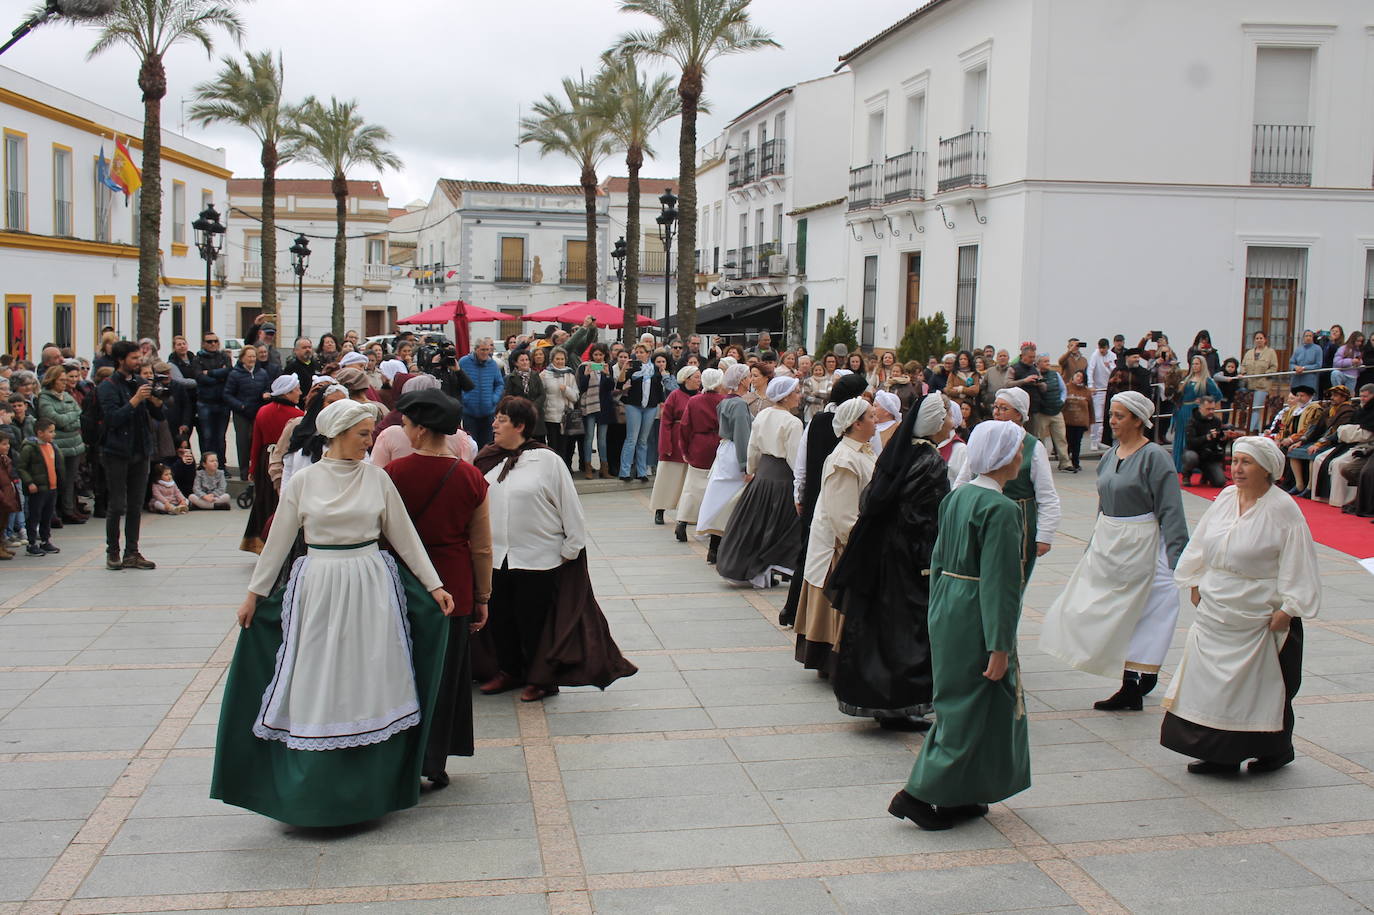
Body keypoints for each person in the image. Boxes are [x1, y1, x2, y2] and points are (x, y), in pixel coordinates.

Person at [212, 399, 455, 826]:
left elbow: (404, 537)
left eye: (370, 433)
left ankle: (371, 784)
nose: (370, 441)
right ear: (339, 433)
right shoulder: (304, 481)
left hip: (370, 584)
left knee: (368, 675)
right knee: (321, 675)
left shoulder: (378, 479)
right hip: (319, 584)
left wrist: (434, 585)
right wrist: (254, 594)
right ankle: (315, 785)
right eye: (363, 434)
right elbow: (279, 543)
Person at [888, 421, 1032, 831]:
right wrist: (1000, 644)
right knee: (970, 706)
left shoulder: (959, 496)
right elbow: (1002, 583)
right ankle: (915, 794)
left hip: (949, 607)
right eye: (1018, 449)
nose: (1022, 456)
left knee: (965, 700)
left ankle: (961, 793)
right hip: (976, 615)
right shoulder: (1001, 509)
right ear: (1005, 456)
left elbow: (937, 561)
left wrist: (936, 612)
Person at [1161, 436, 1320, 774]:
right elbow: (1204, 540)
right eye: (1235, 461)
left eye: (1247, 462)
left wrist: (1289, 607)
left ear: (1268, 470)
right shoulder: (1227, 498)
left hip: (1259, 609)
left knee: (1256, 686)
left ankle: (1270, 750)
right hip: (1218, 604)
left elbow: (1298, 560)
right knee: (1211, 683)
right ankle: (1217, 752)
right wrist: (1194, 578)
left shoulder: (1283, 508)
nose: (1237, 468)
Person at [474, 396, 635, 702]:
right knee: (501, 618)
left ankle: (541, 679)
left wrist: (571, 549)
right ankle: (510, 671)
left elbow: (570, 506)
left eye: (501, 419)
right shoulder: (487, 459)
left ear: (520, 426)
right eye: (495, 418)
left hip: (539, 558)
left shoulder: (547, 461)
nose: (494, 424)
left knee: (534, 622)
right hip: (496, 557)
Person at [1040, 391, 1189, 710]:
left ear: (1138, 420)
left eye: (1119, 416)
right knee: (1095, 606)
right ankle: (1132, 675)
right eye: (1111, 414)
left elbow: (1171, 509)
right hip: (1111, 539)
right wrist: (1094, 542)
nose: (1112, 421)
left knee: (1142, 610)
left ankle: (1134, 681)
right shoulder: (1110, 456)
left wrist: (1179, 559)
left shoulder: (1155, 457)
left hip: (1142, 539)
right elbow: (1103, 500)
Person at [386, 388, 493, 787]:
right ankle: (436, 760)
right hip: (456, 582)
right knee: (446, 675)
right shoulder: (471, 476)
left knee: (405, 671)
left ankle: (402, 755)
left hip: (404, 582)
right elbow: (481, 546)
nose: (404, 430)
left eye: (407, 424)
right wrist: (482, 596)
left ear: (421, 429)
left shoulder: (393, 474)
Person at [828, 394, 952, 729]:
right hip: (906, 558)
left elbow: (873, 497)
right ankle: (900, 704)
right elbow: (926, 517)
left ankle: (881, 699)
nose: (952, 422)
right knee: (905, 630)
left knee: (880, 627)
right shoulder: (928, 459)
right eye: (947, 417)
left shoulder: (902, 451)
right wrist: (930, 559)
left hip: (883, 552)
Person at [779, 373, 874, 626]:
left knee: (809, 553)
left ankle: (792, 610)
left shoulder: (818, 422)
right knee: (815, 557)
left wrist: (799, 492)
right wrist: (798, 492)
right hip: (827, 498)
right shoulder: (838, 426)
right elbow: (802, 461)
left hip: (814, 496)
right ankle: (801, 613)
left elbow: (801, 462)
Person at [791, 396, 877, 673]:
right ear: (856, 423)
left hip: (850, 541)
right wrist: (859, 543)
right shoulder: (844, 459)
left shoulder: (862, 452)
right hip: (838, 547)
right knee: (834, 602)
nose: (876, 422)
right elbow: (843, 515)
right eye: (872, 417)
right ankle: (830, 658)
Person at [952, 387, 1061, 589]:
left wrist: (1045, 535)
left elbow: (1047, 495)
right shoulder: (984, 437)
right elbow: (963, 478)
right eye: (996, 407)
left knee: (1011, 580)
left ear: (1019, 414)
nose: (997, 413)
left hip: (1019, 521)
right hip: (981, 513)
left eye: (1004, 408)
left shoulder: (1032, 446)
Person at [715, 376, 804, 587]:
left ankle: (760, 569)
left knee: (756, 524)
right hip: (782, 480)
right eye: (797, 392)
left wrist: (752, 470)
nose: (800, 396)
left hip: (762, 478)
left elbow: (753, 447)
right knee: (778, 526)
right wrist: (800, 485)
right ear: (786, 396)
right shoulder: (793, 422)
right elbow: (795, 458)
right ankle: (769, 566)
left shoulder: (763, 415)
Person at [97, 341, 162, 572]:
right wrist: (135, 400)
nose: (138, 362)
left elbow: (159, 414)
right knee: (117, 504)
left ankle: (132, 552)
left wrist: (157, 399)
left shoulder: (140, 382)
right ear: (121, 359)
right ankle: (112, 552)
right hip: (116, 451)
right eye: (134, 358)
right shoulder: (107, 386)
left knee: (135, 505)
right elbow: (113, 419)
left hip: (140, 450)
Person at [239, 375, 304, 553]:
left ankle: (260, 541)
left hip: (263, 460)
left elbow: (256, 442)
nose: (300, 392)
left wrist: (252, 468)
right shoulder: (298, 416)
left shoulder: (262, 411)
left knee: (263, 499)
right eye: (297, 389)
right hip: (284, 460)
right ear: (287, 392)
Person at [696, 364, 754, 562]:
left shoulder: (726, 401)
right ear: (741, 381)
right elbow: (742, 434)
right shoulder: (738, 404)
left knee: (722, 498)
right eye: (747, 377)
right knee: (731, 500)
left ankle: (715, 547)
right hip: (734, 453)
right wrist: (746, 465)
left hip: (725, 451)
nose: (750, 380)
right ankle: (722, 548)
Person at [675, 368, 728, 542]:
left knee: (691, 487)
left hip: (698, 444)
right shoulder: (724, 401)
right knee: (715, 488)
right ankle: (711, 525)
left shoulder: (694, 401)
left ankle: (682, 521)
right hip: (719, 444)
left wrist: (684, 449)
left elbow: (685, 426)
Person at [35, 365, 87, 524]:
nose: (65, 383)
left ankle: (69, 509)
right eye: (62, 380)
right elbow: (56, 420)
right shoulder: (44, 398)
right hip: (58, 445)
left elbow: (79, 414)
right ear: (53, 380)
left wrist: (67, 420)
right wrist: (68, 420)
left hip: (74, 444)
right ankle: (53, 513)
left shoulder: (67, 396)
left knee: (70, 480)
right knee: (56, 480)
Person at [651, 366, 700, 528]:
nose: (699, 380)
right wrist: (665, 444)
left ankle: (687, 514)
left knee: (690, 482)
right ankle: (660, 509)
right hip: (675, 440)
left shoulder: (700, 396)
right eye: (696, 377)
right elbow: (665, 422)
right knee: (667, 477)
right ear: (686, 379)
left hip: (692, 441)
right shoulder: (674, 395)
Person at [224, 344, 271, 481]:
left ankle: (257, 471)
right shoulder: (235, 374)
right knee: (243, 443)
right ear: (242, 358)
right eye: (249, 356)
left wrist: (265, 393)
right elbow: (227, 395)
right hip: (242, 413)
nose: (252, 359)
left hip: (258, 413)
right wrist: (241, 406)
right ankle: (244, 472)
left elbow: (267, 387)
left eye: (254, 356)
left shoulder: (262, 373)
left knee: (257, 443)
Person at [17, 419, 62, 556]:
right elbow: (22, 467)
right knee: (35, 515)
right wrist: (30, 482)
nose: (53, 434)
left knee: (47, 516)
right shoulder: (30, 448)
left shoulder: (51, 446)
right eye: (50, 431)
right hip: (38, 488)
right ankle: (32, 543)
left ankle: (45, 540)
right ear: (40, 433)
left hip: (51, 487)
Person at [620, 344, 666, 482]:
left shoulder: (655, 369)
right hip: (633, 405)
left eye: (642, 352)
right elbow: (619, 384)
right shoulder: (632, 367)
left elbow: (659, 389)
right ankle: (625, 471)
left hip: (650, 406)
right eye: (637, 352)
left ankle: (641, 471)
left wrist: (662, 406)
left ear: (648, 353)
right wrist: (624, 368)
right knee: (631, 439)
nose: (639, 354)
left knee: (643, 440)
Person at [1171, 355, 1222, 471]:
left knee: (1192, 436)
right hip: (1183, 410)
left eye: (1197, 364)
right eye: (1193, 364)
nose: (1194, 366)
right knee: (1181, 435)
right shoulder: (1187, 379)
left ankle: (1192, 465)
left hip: (1195, 411)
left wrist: (1204, 400)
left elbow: (1218, 395)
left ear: (1202, 365)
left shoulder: (1207, 381)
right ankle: (1179, 464)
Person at [1182, 396, 1240, 487]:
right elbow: (1190, 442)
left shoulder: (1216, 421)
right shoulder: (1192, 421)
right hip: (1195, 452)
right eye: (1208, 409)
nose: (1211, 412)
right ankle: (1186, 475)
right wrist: (1206, 437)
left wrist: (1224, 438)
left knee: (1220, 482)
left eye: (1213, 409)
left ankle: (1206, 475)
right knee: (1191, 457)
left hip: (1210, 456)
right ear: (1200, 408)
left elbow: (1220, 444)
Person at [193, 331, 232, 463]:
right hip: (205, 403)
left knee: (220, 437)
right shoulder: (197, 358)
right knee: (207, 436)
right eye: (210, 341)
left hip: (222, 403)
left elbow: (228, 371)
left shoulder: (224, 356)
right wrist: (218, 378)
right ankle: (205, 465)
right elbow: (199, 377)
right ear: (204, 343)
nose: (213, 344)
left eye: (215, 341)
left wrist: (209, 372)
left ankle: (221, 465)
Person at [459, 337, 504, 450]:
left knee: (487, 445)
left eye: (487, 350)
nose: (485, 353)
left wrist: (494, 399)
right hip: (469, 411)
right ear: (476, 349)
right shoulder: (464, 362)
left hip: (488, 412)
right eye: (482, 349)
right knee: (470, 445)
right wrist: (464, 398)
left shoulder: (493, 364)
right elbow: (457, 381)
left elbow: (499, 384)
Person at [541, 347, 580, 466]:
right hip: (550, 416)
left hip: (566, 417)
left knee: (565, 446)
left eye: (562, 359)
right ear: (552, 360)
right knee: (553, 446)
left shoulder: (570, 375)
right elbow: (541, 395)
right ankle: (553, 471)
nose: (560, 361)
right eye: (557, 359)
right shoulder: (544, 374)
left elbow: (575, 396)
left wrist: (566, 390)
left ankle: (564, 470)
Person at [1240, 331, 1281, 432]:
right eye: (1257, 338)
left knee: (1256, 408)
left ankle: (1249, 429)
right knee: (1250, 408)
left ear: (1265, 339)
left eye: (1261, 338)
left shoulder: (1270, 352)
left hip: (1262, 385)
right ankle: (1256, 430)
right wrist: (1243, 373)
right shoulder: (1249, 352)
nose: (1259, 340)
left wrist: (1265, 374)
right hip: (1249, 384)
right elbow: (1243, 365)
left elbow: (1273, 367)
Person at [502, 350, 545, 441]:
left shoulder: (535, 375)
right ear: (516, 363)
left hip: (535, 415)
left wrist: (533, 407)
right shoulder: (511, 378)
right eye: (522, 360)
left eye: (527, 360)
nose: (525, 362)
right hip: (519, 415)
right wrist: (522, 407)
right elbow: (508, 397)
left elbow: (542, 394)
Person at [1061, 369, 1093, 472]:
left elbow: (1091, 407)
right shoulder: (1066, 388)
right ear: (1073, 376)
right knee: (1067, 442)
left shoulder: (1087, 391)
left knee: (1077, 442)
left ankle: (1076, 462)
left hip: (1080, 421)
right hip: (1067, 420)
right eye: (1077, 376)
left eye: (1081, 377)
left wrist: (1091, 421)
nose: (1079, 378)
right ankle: (1065, 462)